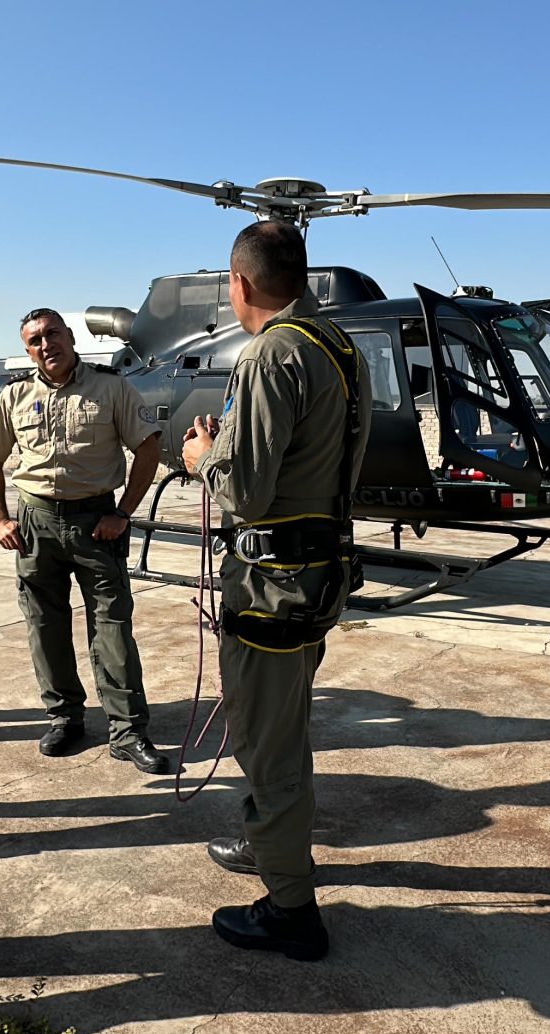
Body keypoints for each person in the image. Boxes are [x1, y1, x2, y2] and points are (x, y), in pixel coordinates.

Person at [181, 221, 367, 962]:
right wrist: (227, 442)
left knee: (269, 748)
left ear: (240, 284)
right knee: (284, 730)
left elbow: (247, 495)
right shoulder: (336, 347)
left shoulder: (269, 354)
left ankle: (291, 909)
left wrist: (202, 456)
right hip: (316, 577)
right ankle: (268, 844)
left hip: (269, 588)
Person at [0, 308, 169, 773]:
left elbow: (149, 447)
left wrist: (123, 513)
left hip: (95, 523)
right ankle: (65, 717)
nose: (47, 346)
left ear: (69, 336)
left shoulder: (111, 387)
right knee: (45, 627)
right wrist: (1, 518)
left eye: (53, 334)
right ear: (27, 349)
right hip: (35, 526)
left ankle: (127, 731)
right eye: (36, 341)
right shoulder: (15, 395)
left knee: (113, 627)